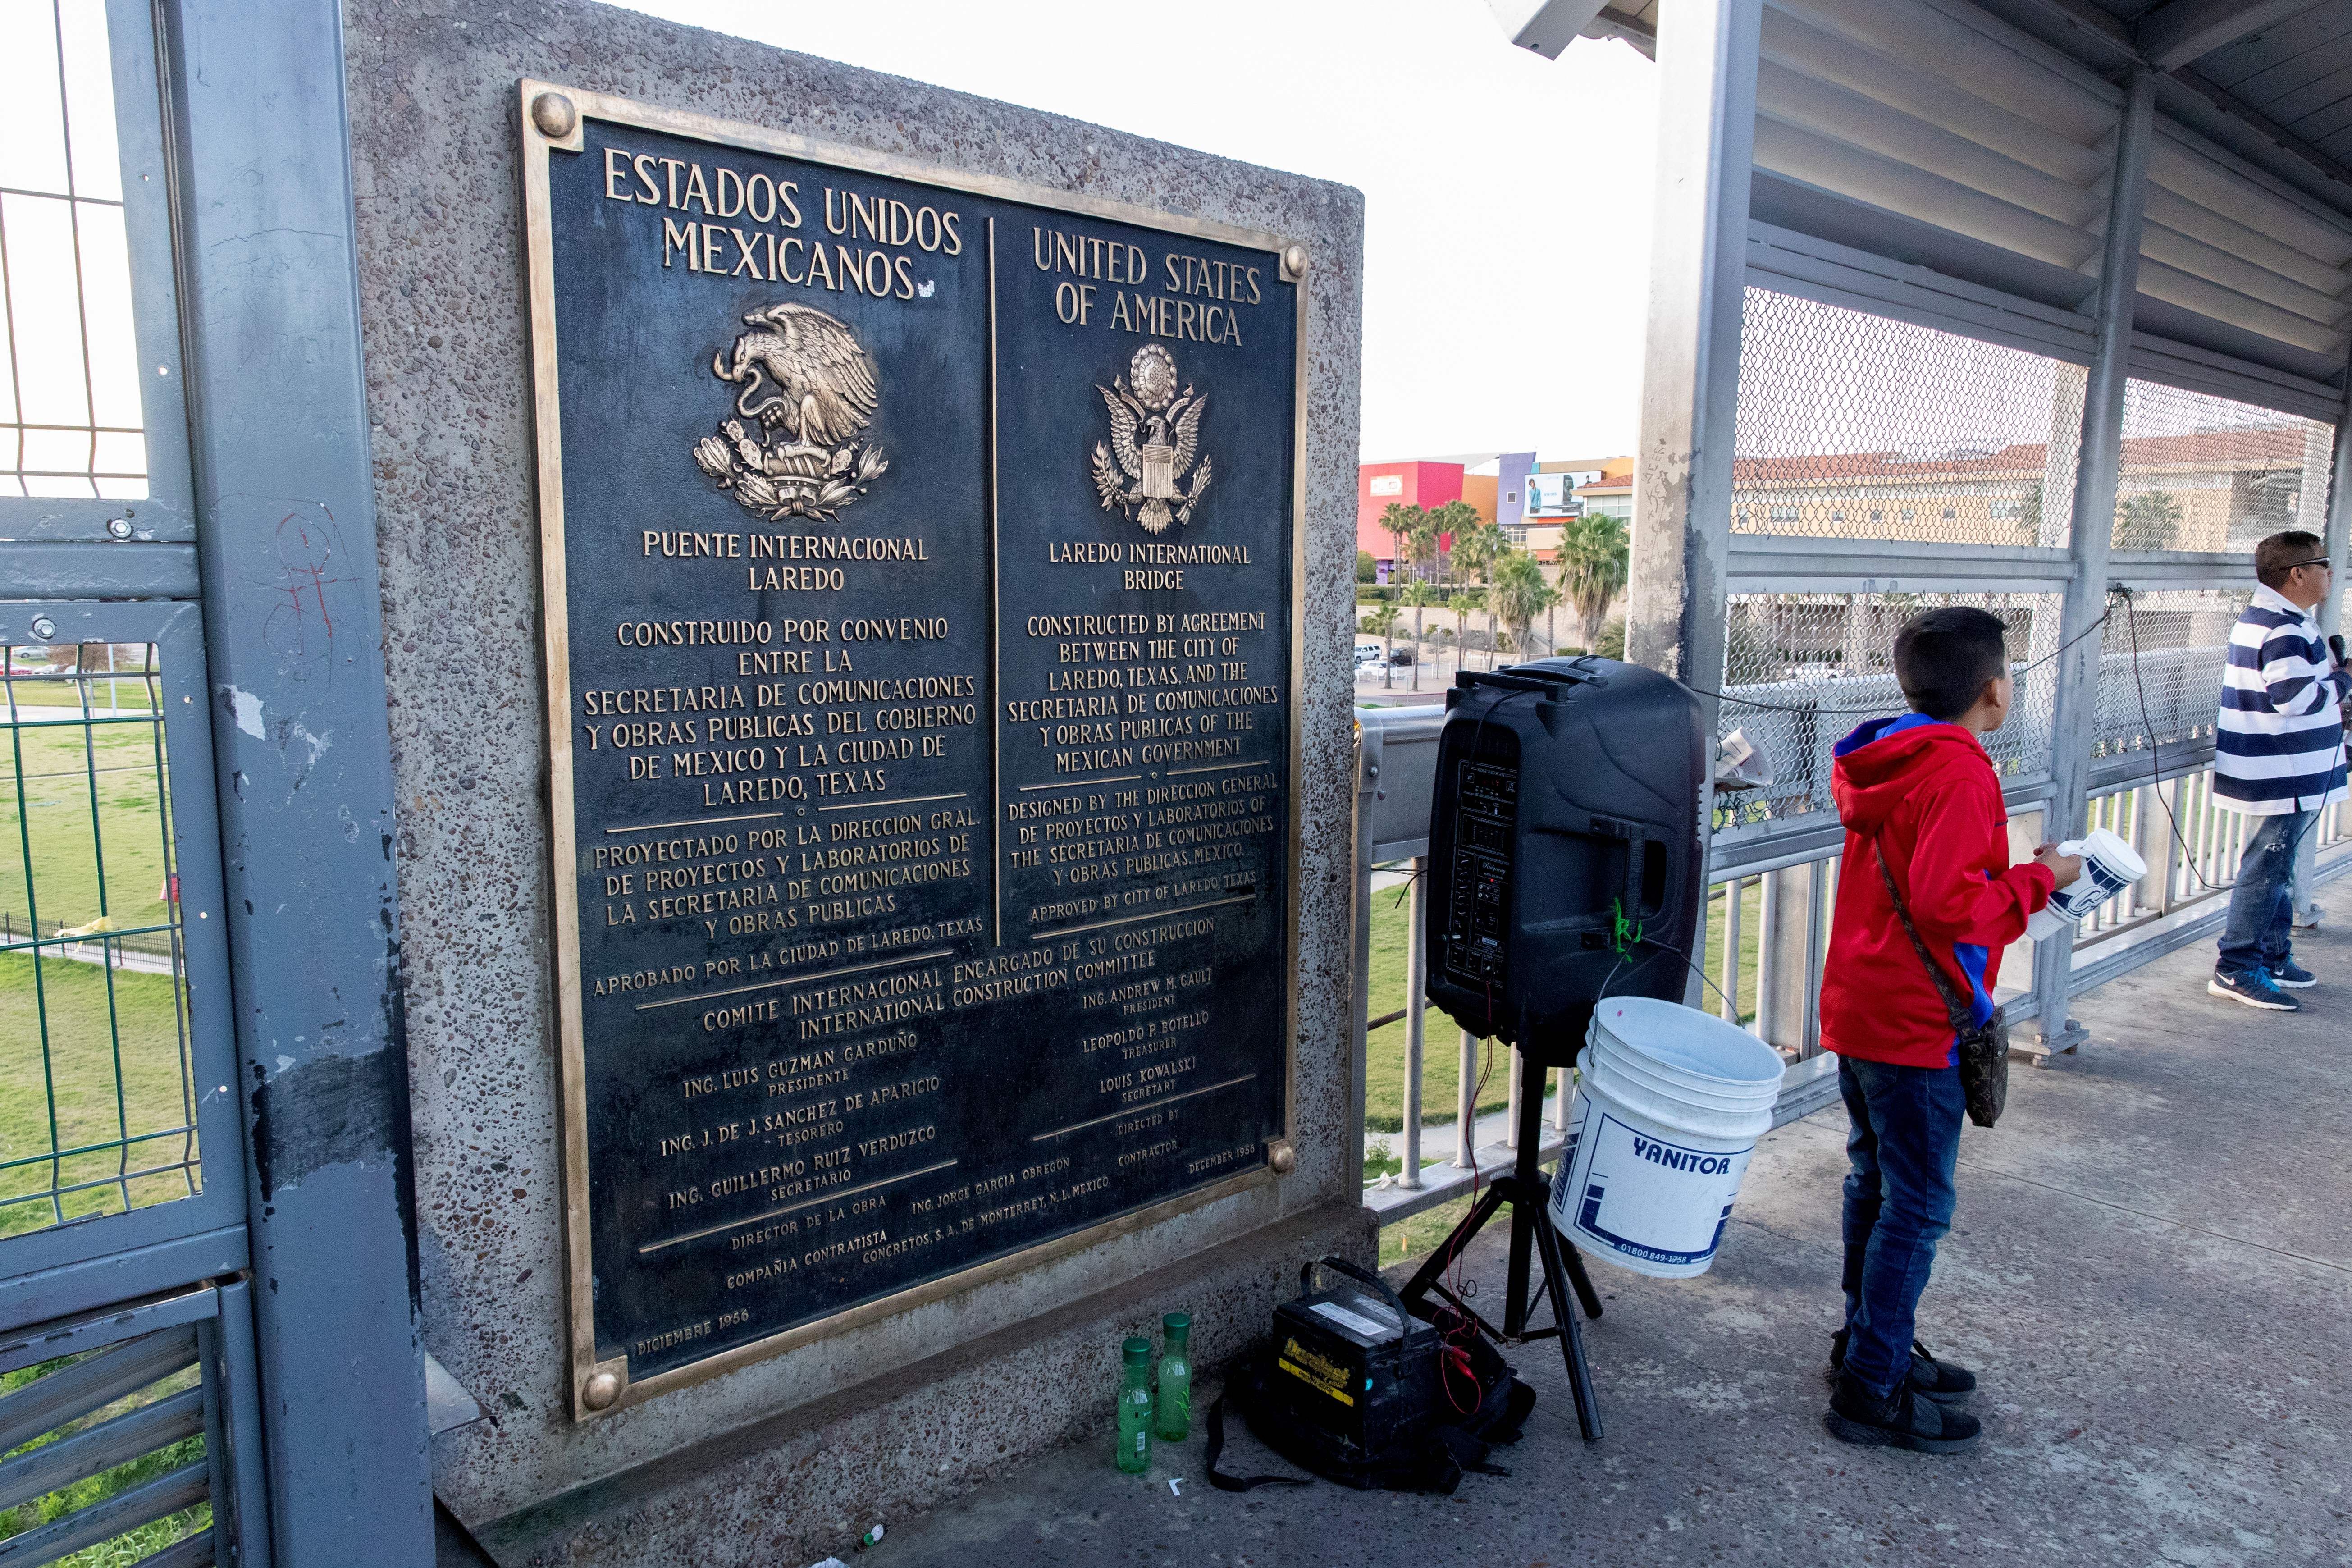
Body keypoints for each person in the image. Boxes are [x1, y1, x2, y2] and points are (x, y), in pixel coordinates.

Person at [1816, 607, 2080, 1453]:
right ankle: (1870, 1387)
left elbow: (1930, 883)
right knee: (1917, 1206)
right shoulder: (1960, 773)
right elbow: (1949, 907)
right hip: (1913, 1023)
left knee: (1874, 1180)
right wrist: (2040, 878)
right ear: (1993, 690)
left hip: (1860, 1006)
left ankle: (1864, 1344)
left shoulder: (1888, 755)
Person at [2207, 530, 2350, 1011]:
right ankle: (2236, 966)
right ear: (2297, 574)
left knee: (2278, 865)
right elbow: (2296, 699)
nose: (2330, 574)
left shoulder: (2280, 617)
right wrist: (2345, 679)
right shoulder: (2282, 626)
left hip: (2280, 768)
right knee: (2266, 867)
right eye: (2323, 564)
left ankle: (2269, 953)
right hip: (2278, 771)